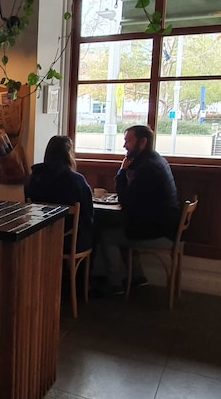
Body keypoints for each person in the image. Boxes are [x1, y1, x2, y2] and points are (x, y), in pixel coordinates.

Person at [94, 125, 180, 293]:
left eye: (128, 141)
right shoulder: (156, 160)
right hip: (163, 225)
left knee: (107, 235)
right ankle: (136, 276)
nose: (125, 145)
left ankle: (115, 283)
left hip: (158, 230)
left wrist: (122, 171)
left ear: (143, 142)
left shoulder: (148, 168)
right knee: (121, 228)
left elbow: (126, 201)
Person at [24, 135, 94, 253]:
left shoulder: (32, 178)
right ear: (68, 155)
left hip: (41, 239)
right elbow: (88, 213)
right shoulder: (76, 180)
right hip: (69, 242)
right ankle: (80, 271)